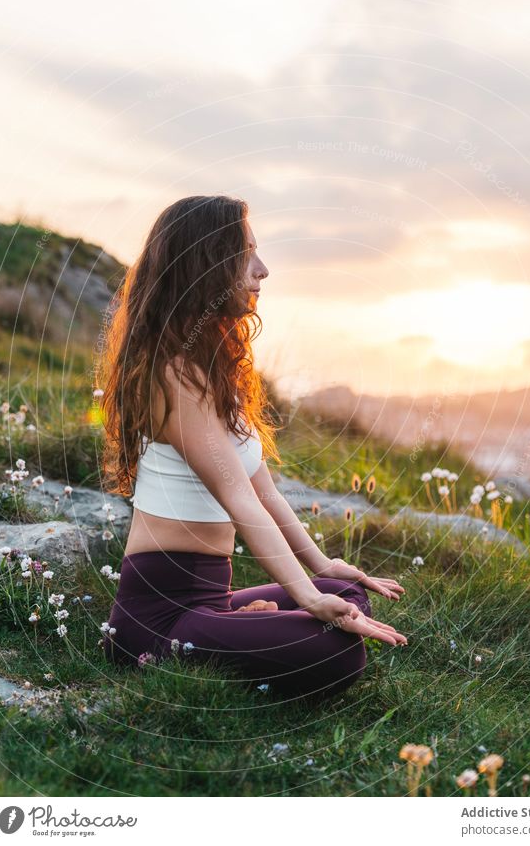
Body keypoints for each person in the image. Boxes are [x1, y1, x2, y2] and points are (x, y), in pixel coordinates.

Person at [99, 194, 406, 698]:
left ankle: (232, 625)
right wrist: (304, 599)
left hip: (209, 599)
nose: (262, 271)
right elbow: (237, 499)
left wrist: (322, 569)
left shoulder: (213, 366)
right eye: (246, 255)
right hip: (159, 615)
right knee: (338, 648)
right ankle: (182, 643)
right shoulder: (172, 372)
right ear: (206, 264)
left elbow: (263, 491)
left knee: (346, 594)